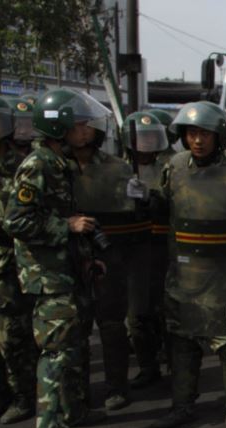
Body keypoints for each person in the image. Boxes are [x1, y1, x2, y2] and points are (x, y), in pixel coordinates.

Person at [5, 88, 111, 428]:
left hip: (63, 271)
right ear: (60, 126)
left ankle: (70, 412)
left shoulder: (58, 163)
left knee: (68, 347)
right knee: (55, 353)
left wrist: (85, 255)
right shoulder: (38, 165)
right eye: (80, 124)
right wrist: (66, 227)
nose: (87, 131)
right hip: (48, 277)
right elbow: (15, 221)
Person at [151, 101, 226, 428]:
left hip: (225, 271)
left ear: (219, 136)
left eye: (204, 134)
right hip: (185, 271)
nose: (197, 140)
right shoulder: (173, 167)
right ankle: (182, 404)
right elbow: (162, 208)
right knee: (182, 341)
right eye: (190, 134)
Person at [69, 105, 152, 411]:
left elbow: (139, 215)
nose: (81, 132)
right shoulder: (53, 166)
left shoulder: (117, 168)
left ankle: (117, 386)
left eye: (86, 125)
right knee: (74, 328)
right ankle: (77, 391)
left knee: (112, 324)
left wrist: (141, 197)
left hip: (109, 254)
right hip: (67, 257)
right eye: (74, 125)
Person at [124, 111, 174, 389]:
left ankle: (172, 362)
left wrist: (149, 198)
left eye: (152, 137)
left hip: (163, 247)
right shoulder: (119, 168)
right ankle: (147, 366)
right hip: (132, 249)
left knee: (166, 311)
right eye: (140, 138)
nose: (146, 144)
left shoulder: (169, 169)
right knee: (137, 313)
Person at [0, 97, 38, 425]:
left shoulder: (21, 166)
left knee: (15, 334)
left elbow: (22, 218)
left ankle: (24, 395)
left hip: (14, 263)